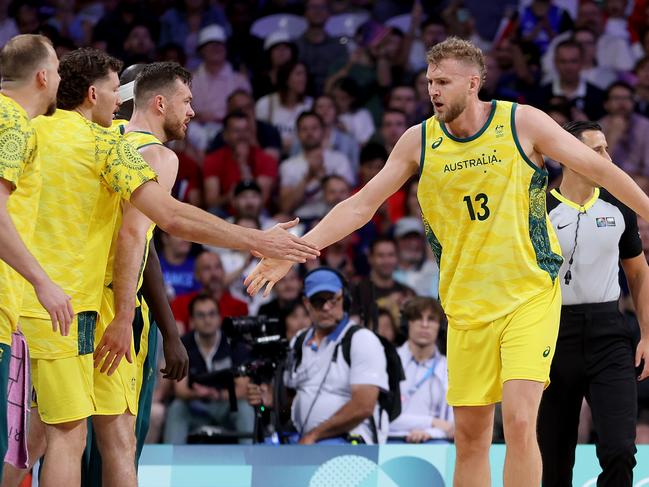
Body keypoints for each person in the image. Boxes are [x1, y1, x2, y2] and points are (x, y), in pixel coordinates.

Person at [244, 37, 649, 486]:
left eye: (443, 81)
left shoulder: (521, 122)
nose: (433, 90)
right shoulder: (418, 141)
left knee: (518, 422)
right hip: (466, 305)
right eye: (429, 81)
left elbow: (601, 170)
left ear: (473, 83)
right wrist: (295, 250)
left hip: (529, 295)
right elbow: (361, 206)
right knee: (471, 438)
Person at [15, 48, 317, 487]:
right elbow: (147, 233)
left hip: (28, 297)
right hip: (88, 305)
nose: (117, 101)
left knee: (34, 436)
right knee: (91, 437)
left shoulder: (39, 129)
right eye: (188, 102)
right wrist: (258, 241)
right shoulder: (122, 149)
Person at [538, 120, 649, 487]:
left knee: (620, 449)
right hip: (552, 336)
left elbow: (638, 273)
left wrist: (647, 335)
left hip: (609, 334)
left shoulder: (619, 204)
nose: (607, 157)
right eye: (596, 150)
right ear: (567, 156)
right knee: (554, 459)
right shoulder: (538, 210)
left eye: (606, 148)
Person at [0, 33, 71, 480]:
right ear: (43, 76)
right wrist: (43, 282)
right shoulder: (14, 125)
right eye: (59, 71)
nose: (61, 80)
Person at [247, 267, 388, 444]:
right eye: (318, 301)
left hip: (350, 440)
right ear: (306, 303)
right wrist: (272, 400)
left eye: (333, 300)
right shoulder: (299, 341)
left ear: (344, 298)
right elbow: (291, 400)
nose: (326, 307)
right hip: (303, 438)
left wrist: (314, 435)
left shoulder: (361, 339)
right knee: (262, 452)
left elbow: (363, 406)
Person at [163, 295, 253, 444]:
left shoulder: (234, 344)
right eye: (201, 315)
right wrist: (199, 394)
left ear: (219, 318)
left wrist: (216, 394)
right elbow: (180, 390)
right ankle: (170, 463)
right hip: (196, 406)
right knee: (177, 407)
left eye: (212, 314)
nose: (207, 320)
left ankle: (251, 461)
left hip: (227, 406)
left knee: (244, 407)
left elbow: (243, 389)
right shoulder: (182, 344)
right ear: (191, 321)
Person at [389, 297, 453, 444]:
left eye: (431, 319)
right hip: (391, 438)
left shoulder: (448, 367)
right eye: (418, 318)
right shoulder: (389, 361)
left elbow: (451, 426)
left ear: (440, 326)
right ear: (407, 324)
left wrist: (428, 432)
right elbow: (383, 419)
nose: (424, 325)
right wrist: (432, 422)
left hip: (435, 440)